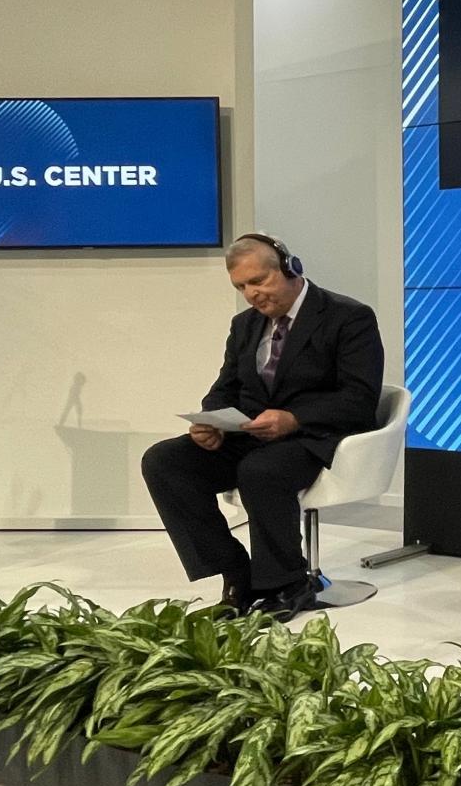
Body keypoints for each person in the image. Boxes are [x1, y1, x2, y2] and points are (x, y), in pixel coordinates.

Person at [141, 233, 384, 620]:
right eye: (241, 286)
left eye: (258, 281)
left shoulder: (347, 317)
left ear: (290, 269)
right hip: (251, 433)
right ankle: (237, 573)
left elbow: (359, 398)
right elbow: (225, 388)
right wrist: (211, 421)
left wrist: (294, 419)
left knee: (261, 470)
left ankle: (287, 584)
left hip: (313, 435)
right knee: (164, 461)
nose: (251, 294)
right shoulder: (245, 326)